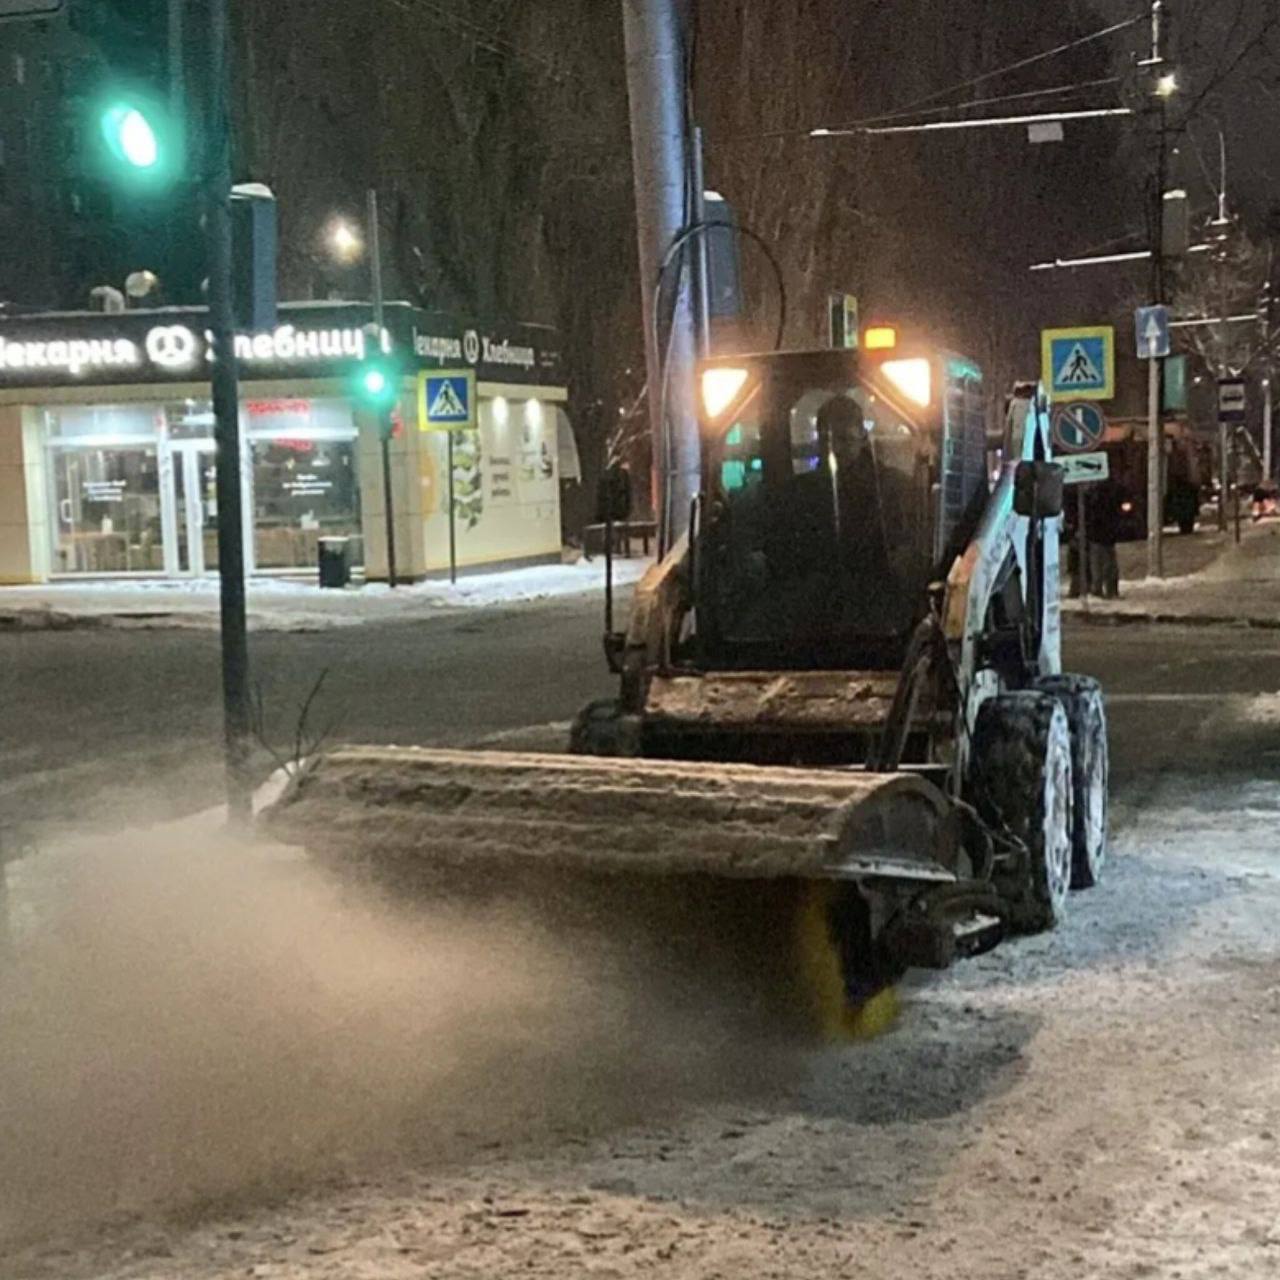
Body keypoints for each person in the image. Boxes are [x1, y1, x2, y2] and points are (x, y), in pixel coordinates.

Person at [1084, 477, 1122, 599]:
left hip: (1098, 535)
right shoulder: (1109, 495)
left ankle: (1098, 589)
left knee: (1098, 564)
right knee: (1108, 564)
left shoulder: (1092, 497)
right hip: (1105, 536)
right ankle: (1110, 590)